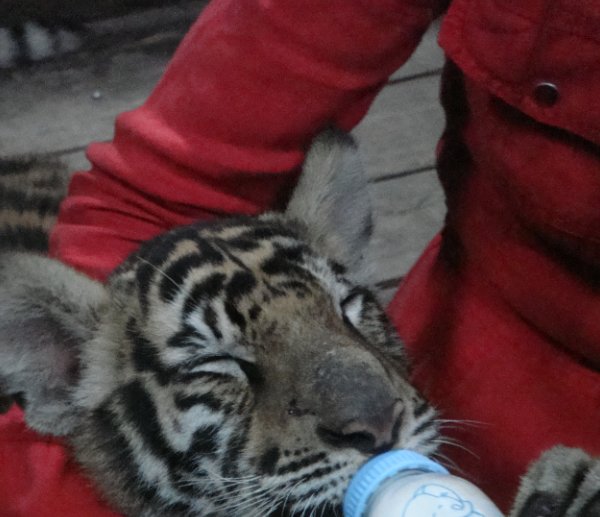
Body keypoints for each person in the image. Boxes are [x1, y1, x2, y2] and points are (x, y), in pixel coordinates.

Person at [2, 0, 599, 514]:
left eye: (348, 309)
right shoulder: (83, 365)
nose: (369, 413)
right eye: (215, 365)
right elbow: (165, 175)